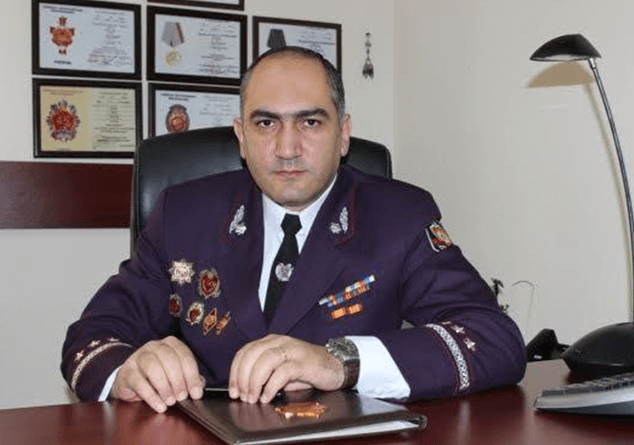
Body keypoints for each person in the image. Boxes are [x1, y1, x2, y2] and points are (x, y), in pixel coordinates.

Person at [61, 46, 526, 414]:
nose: (287, 148)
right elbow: (93, 336)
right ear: (241, 137)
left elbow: (494, 339)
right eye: (266, 123)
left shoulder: (399, 217)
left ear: (344, 134)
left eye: (310, 121)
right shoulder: (183, 213)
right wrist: (129, 369)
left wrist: (341, 362)